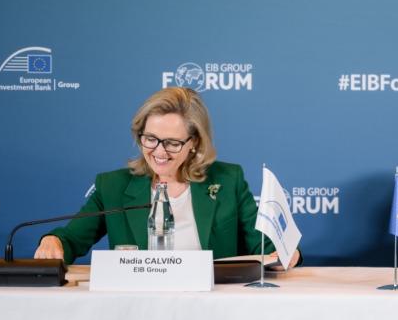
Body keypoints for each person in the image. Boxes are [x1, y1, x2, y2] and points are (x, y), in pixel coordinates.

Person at [34, 87, 299, 267]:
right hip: (136, 305)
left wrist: (285, 254)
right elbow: (70, 239)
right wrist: (52, 241)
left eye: (172, 143)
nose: (159, 152)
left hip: (212, 304)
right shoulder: (113, 186)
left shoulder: (229, 180)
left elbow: (264, 248)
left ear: (194, 143)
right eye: (150, 139)